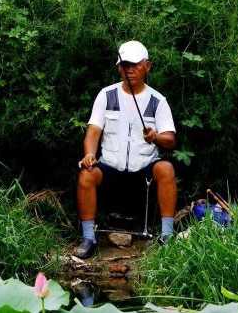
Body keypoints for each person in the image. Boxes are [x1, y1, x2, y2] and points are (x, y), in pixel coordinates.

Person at [75, 40, 177, 259]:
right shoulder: (106, 94)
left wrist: (155, 136)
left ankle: (168, 236)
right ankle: (88, 238)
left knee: (166, 168)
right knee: (86, 174)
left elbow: (170, 140)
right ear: (118, 67)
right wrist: (90, 154)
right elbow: (93, 132)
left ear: (147, 66)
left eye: (134, 65)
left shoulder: (158, 101)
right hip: (110, 167)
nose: (129, 70)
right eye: (124, 65)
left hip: (144, 171)